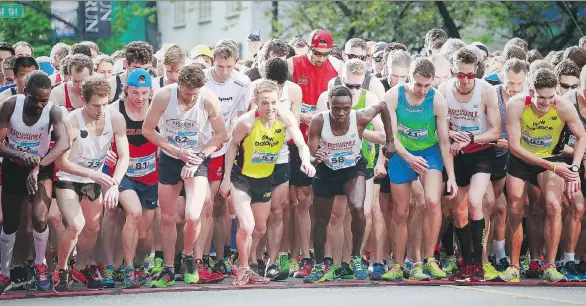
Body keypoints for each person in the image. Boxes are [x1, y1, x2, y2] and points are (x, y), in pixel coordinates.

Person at [219, 79, 313, 285]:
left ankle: (242, 262)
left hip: (264, 178)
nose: (270, 108)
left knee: (260, 228)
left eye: (273, 102)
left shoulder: (285, 117)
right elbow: (232, 146)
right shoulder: (246, 122)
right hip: (241, 178)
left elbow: (300, 143)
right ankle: (244, 268)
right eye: (264, 103)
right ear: (255, 102)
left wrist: (306, 161)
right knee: (247, 225)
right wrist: (226, 178)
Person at [142, 64, 227, 287]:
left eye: (194, 94)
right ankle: (169, 268)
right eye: (186, 93)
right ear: (178, 85)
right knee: (168, 217)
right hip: (171, 156)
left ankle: (188, 256)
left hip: (197, 157)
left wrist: (199, 155)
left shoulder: (208, 100)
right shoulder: (163, 96)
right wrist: (175, 150)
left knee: (192, 214)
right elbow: (147, 129)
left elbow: (221, 135)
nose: (189, 98)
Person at [501, 68, 586, 283]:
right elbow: (513, 145)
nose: (546, 103)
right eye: (541, 98)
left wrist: (574, 167)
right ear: (531, 91)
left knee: (554, 206)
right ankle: (513, 265)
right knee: (515, 209)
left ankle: (550, 265)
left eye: (550, 97)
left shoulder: (563, 106)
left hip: (552, 158)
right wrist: (551, 165)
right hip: (522, 158)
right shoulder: (516, 104)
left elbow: (582, 135)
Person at [303, 85, 395, 283]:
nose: (341, 113)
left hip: (352, 168)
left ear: (351, 106)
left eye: (346, 108)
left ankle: (355, 258)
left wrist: (390, 141)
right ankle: (319, 264)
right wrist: (315, 157)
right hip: (326, 170)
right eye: (336, 108)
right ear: (329, 105)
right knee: (321, 218)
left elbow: (382, 106)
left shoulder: (359, 117)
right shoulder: (319, 121)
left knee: (357, 208)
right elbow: (311, 155)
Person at [382, 57, 457, 281]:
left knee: (432, 202)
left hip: (429, 152)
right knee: (401, 211)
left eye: (427, 85)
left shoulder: (437, 101)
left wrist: (451, 175)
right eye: (418, 85)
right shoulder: (394, 96)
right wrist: (408, 157)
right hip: (402, 152)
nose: (422, 90)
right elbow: (391, 137)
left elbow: (444, 142)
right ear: (409, 79)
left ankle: (428, 260)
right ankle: (398, 264)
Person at [52, 76, 129, 291]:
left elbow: (124, 156)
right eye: (96, 105)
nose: (101, 109)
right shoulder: (73, 122)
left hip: (93, 178)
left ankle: (82, 266)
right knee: (76, 225)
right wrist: (93, 174)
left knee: (93, 227)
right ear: (84, 101)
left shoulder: (115, 119)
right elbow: (61, 162)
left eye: (105, 104)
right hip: (69, 177)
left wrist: (115, 184)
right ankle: (62, 268)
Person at [0, 71, 70, 293]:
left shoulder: (53, 110)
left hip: (40, 168)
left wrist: (38, 165)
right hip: (13, 166)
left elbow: (63, 143)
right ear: (25, 92)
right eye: (35, 99)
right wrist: (20, 155)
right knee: (11, 223)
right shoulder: (11, 105)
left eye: (44, 100)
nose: (40, 104)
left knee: (40, 219)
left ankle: (40, 265)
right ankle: (4, 272)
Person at [316, 59, 385, 280]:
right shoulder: (327, 97)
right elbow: (317, 131)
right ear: (340, 80)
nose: (354, 92)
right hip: (332, 166)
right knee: (336, 216)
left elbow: (383, 136)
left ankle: (354, 259)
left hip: (361, 162)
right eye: (349, 86)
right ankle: (337, 264)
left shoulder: (370, 98)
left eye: (357, 87)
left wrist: (357, 131)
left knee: (361, 212)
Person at [437, 47, 501, 281]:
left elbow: (495, 131)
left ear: (476, 72)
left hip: (481, 151)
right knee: (459, 209)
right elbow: (439, 127)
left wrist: (471, 138)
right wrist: (454, 136)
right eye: (460, 75)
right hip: (457, 152)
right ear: (453, 71)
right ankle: (466, 262)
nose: (464, 81)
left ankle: (478, 263)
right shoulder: (443, 90)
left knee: (476, 201)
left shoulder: (486, 91)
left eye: (469, 75)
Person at [287, 28, 342, 278]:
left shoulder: (336, 68)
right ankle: (304, 257)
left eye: (325, 54)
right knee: (301, 201)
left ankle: (327, 257)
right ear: (308, 48)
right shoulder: (293, 64)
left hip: (325, 142)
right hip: (297, 139)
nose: (321, 58)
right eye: (316, 53)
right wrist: (302, 117)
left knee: (325, 203)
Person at [196, 41, 249, 281]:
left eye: (229, 66)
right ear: (212, 62)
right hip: (198, 147)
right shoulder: (201, 78)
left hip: (224, 148)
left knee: (220, 206)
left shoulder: (242, 82)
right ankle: (200, 258)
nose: (224, 71)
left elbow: (240, 118)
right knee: (202, 205)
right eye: (219, 66)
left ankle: (221, 257)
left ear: (235, 64)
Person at [249, 58, 302, 280]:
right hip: (256, 160)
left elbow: (294, 126)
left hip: (280, 156)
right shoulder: (255, 90)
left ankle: (272, 261)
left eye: (281, 85)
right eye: (274, 84)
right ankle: (251, 260)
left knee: (278, 211)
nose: (278, 89)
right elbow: (248, 124)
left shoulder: (295, 90)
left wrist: (276, 140)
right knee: (256, 215)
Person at [489, 58, 529, 273]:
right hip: (491, 154)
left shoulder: (528, 99)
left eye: (518, 84)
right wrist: (494, 140)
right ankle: (491, 256)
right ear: (502, 76)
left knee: (512, 209)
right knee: (495, 207)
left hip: (516, 158)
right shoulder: (492, 94)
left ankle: (505, 256)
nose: (514, 88)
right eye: (510, 83)